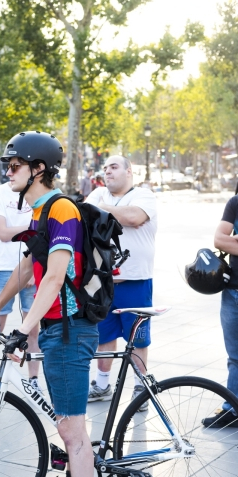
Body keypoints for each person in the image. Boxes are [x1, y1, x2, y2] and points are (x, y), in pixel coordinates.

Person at [0, 131, 99, 477]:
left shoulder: (62, 209)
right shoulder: (39, 213)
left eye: (13, 165)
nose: (7, 172)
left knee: (71, 428)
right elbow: (30, 268)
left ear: (38, 168)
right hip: (55, 329)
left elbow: (54, 276)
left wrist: (22, 327)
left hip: (70, 329)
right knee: (66, 423)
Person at [85, 155, 157, 405]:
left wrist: (103, 209)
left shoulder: (144, 195)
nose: (108, 172)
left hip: (135, 281)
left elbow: (135, 218)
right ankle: (102, 384)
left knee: (138, 337)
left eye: (114, 167)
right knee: (103, 336)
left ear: (129, 171)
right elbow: (85, 215)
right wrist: (111, 210)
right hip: (102, 282)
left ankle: (140, 388)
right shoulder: (96, 194)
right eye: (105, 168)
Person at [0, 181, 42, 391]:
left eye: (17, 165)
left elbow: (45, 234)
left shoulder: (40, 191)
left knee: (32, 328)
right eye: (11, 166)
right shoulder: (0, 193)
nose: (12, 171)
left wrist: (35, 265)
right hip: (4, 267)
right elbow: (3, 233)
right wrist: (34, 228)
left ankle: (33, 380)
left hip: (33, 265)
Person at [203, 186, 238, 427]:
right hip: (232, 292)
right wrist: (227, 241)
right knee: (235, 356)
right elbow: (219, 239)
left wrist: (232, 242)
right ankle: (232, 409)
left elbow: (228, 241)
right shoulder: (235, 203)